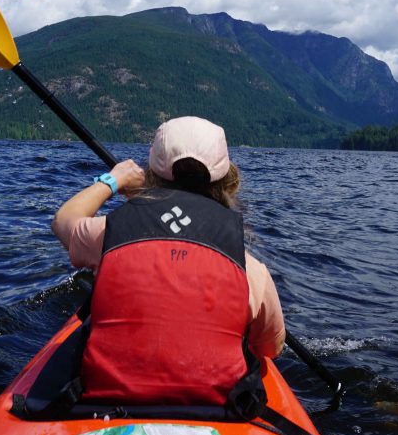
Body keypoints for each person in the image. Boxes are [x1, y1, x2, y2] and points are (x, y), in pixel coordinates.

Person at [52, 116, 286, 407]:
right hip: (214, 410)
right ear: (228, 180)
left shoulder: (110, 234)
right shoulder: (248, 267)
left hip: (106, 403)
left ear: (150, 172)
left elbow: (63, 221)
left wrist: (115, 180)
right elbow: (269, 348)